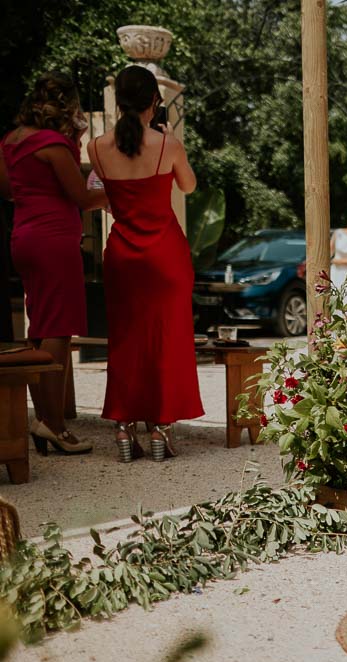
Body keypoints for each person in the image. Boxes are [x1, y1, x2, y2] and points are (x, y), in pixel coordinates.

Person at [87, 65, 203, 462]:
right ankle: (161, 427)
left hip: (122, 255)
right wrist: (170, 141)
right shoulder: (167, 145)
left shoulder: (96, 147)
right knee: (167, 340)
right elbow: (188, 186)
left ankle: (123, 427)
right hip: (164, 255)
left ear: (119, 102)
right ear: (154, 101)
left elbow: (103, 193)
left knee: (125, 342)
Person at [0, 72, 107, 455]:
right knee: (59, 329)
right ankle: (55, 425)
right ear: (67, 105)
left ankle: (43, 419)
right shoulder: (53, 145)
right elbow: (81, 197)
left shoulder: (11, 141)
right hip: (53, 240)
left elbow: (8, 189)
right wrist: (113, 193)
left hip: (23, 238)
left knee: (39, 326)